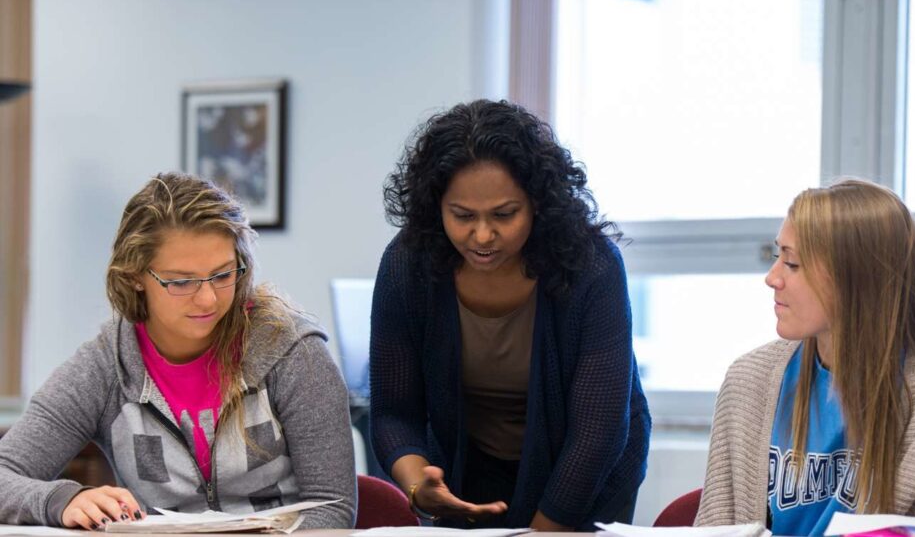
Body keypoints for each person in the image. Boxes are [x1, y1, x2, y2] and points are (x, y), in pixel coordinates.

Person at [0, 173, 356, 529]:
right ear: (135, 276)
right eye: (181, 281)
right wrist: (62, 500)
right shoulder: (106, 367)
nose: (208, 299)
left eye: (222, 275)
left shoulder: (294, 353)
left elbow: (332, 507)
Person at [370, 99, 650, 531]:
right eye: (462, 216)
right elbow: (394, 411)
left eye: (505, 214)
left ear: (538, 203)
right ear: (435, 205)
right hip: (467, 472)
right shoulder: (408, 266)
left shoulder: (591, 266)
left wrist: (547, 526)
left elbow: (598, 428)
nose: (482, 235)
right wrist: (417, 487)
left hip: (585, 472)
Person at [695, 179, 915, 535]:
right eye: (776, 256)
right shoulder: (748, 381)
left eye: (793, 264)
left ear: (857, 280)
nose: (772, 278)